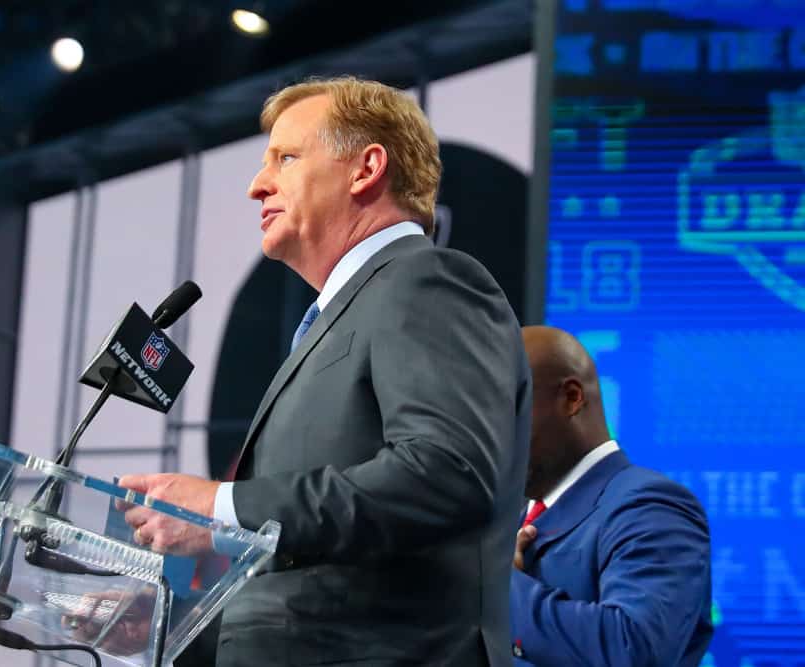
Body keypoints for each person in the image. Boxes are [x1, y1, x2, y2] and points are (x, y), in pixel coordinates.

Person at [119, 76, 531, 666]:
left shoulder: (426, 282)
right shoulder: (338, 319)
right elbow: (304, 597)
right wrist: (167, 622)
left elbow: (446, 473)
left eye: (285, 158)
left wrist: (222, 508)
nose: (257, 185)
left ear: (365, 170)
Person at [510, 326, 713, 666]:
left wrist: (497, 586)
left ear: (572, 397)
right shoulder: (503, 521)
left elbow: (632, 649)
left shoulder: (651, 506)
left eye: (505, 408)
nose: (489, 433)